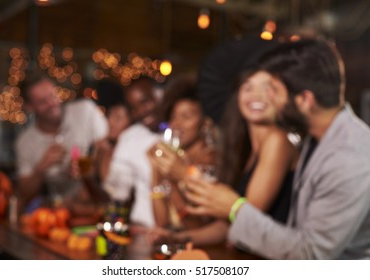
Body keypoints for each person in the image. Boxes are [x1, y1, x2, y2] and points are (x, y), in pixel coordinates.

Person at [185, 39, 370, 259]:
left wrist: (235, 208)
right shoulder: (317, 138)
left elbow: (311, 255)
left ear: (304, 100)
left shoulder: (350, 156)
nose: (265, 98)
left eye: (272, 90)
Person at [150, 70, 300, 245]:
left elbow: (248, 218)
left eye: (266, 88)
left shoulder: (277, 140)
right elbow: (228, 225)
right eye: (248, 87)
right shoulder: (245, 149)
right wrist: (177, 239)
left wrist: (184, 174)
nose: (256, 95)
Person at [15, 73, 108, 211]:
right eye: (42, 102)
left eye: (53, 95)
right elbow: (25, 195)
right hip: (63, 211)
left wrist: (86, 165)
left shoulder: (85, 110)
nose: (52, 103)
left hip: (101, 203)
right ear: (29, 107)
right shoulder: (25, 142)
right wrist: (42, 166)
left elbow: (108, 149)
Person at [147, 78, 217, 230]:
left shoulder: (212, 161)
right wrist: (155, 172)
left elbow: (199, 226)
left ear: (205, 122)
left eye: (186, 117)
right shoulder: (176, 157)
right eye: (173, 117)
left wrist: (173, 180)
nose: (177, 124)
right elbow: (162, 224)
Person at [104, 77, 161, 228]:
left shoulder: (180, 131)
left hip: (181, 231)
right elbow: (116, 194)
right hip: (142, 228)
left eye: (145, 101)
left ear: (160, 94)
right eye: (134, 108)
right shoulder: (130, 139)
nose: (142, 111)